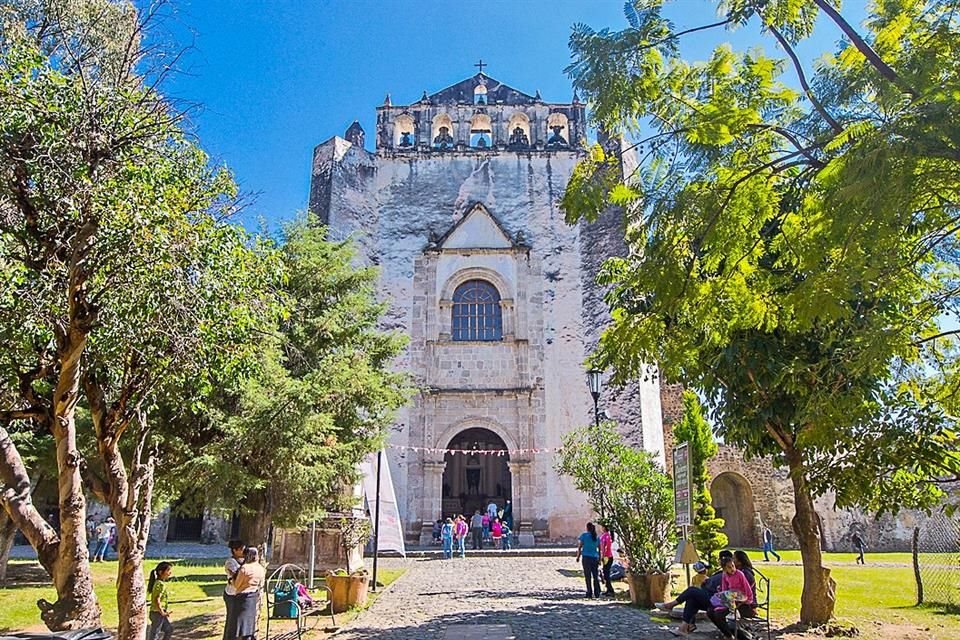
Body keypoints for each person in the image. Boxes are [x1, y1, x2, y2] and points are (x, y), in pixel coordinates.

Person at [657, 550, 734, 634]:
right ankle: (684, 628)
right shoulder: (721, 572)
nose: (719, 561)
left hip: (717, 599)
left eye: (721, 559)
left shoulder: (731, 573)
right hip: (710, 595)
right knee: (691, 599)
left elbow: (729, 589)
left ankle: (670, 605)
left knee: (692, 590)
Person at [705, 556, 753, 640]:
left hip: (742, 596)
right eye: (729, 567)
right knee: (712, 608)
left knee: (727, 598)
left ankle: (733, 612)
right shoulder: (725, 575)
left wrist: (748, 598)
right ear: (724, 569)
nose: (732, 569)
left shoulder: (739, 574)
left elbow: (746, 587)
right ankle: (728, 634)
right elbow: (724, 588)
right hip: (731, 596)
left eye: (733, 566)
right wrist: (722, 595)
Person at [232, 547, 266, 640]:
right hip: (253, 596)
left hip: (242, 597)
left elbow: (237, 585)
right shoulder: (260, 568)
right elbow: (261, 583)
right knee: (249, 623)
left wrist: (232, 580)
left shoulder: (245, 568)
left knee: (239, 624)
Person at [222, 539, 246, 640]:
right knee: (232, 619)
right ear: (235, 550)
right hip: (232, 594)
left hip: (241, 593)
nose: (243, 552)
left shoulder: (245, 561)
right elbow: (236, 576)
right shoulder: (230, 562)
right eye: (241, 550)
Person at [147, 561, 174, 640]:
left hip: (158, 612)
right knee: (155, 634)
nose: (170, 573)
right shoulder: (160, 584)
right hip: (157, 613)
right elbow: (157, 599)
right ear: (160, 572)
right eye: (168, 570)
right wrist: (162, 612)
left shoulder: (159, 583)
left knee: (169, 629)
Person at [575, 521, 602, 598]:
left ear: (587, 528)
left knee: (588, 576)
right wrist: (600, 559)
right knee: (595, 575)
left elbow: (580, 547)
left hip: (586, 557)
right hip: (594, 557)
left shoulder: (584, 536)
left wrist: (578, 557)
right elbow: (599, 549)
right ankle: (597, 592)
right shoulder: (596, 537)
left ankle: (589, 592)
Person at [733, 550, 758, 617]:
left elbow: (744, 592)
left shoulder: (745, 573)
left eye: (734, 558)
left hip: (746, 605)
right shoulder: (739, 572)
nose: (732, 561)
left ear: (740, 562)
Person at [598, 523, 615, 596]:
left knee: (606, 574)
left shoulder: (605, 536)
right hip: (608, 556)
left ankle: (610, 589)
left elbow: (604, 547)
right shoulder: (608, 536)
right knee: (605, 573)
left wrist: (602, 556)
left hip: (606, 556)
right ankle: (608, 589)